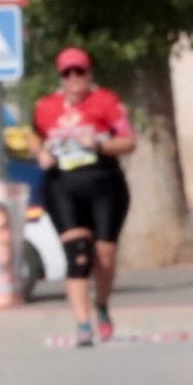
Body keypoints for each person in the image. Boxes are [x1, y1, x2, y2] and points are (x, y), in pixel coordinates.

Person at [31, 47, 134, 348]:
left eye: (79, 72)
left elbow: (128, 141)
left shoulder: (106, 102)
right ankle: (82, 323)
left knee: (104, 255)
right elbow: (33, 135)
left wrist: (100, 146)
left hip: (104, 184)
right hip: (63, 185)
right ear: (61, 78)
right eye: (67, 73)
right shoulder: (46, 106)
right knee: (77, 255)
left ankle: (101, 305)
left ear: (90, 74)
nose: (74, 78)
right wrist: (39, 153)